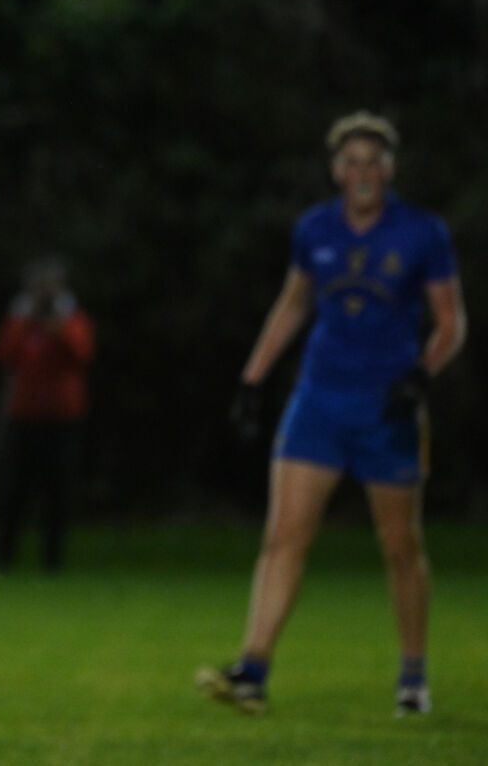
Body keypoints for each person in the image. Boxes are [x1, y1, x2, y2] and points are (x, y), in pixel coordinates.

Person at [197, 111, 467, 717]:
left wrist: (422, 375)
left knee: (399, 545)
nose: (364, 171)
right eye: (353, 161)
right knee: (284, 537)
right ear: (337, 170)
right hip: (318, 400)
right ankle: (253, 670)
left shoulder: (421, 233)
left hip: (387, 407)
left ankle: (413, 677)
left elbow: (451, 323)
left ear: (390, 170)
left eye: (375, 160)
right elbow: (293, 305)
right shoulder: (315, 228)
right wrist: (253, 378)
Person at [0, 256, 96, 572]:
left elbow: (82, 353)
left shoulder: (71, 318)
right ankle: (4, 559)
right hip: (24, 418)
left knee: (58, 492)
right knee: (15, 491)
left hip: (63, 420)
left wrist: (58, 326)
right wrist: (24, 319)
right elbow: (4, 354)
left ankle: (53, 561)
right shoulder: (21, 319)